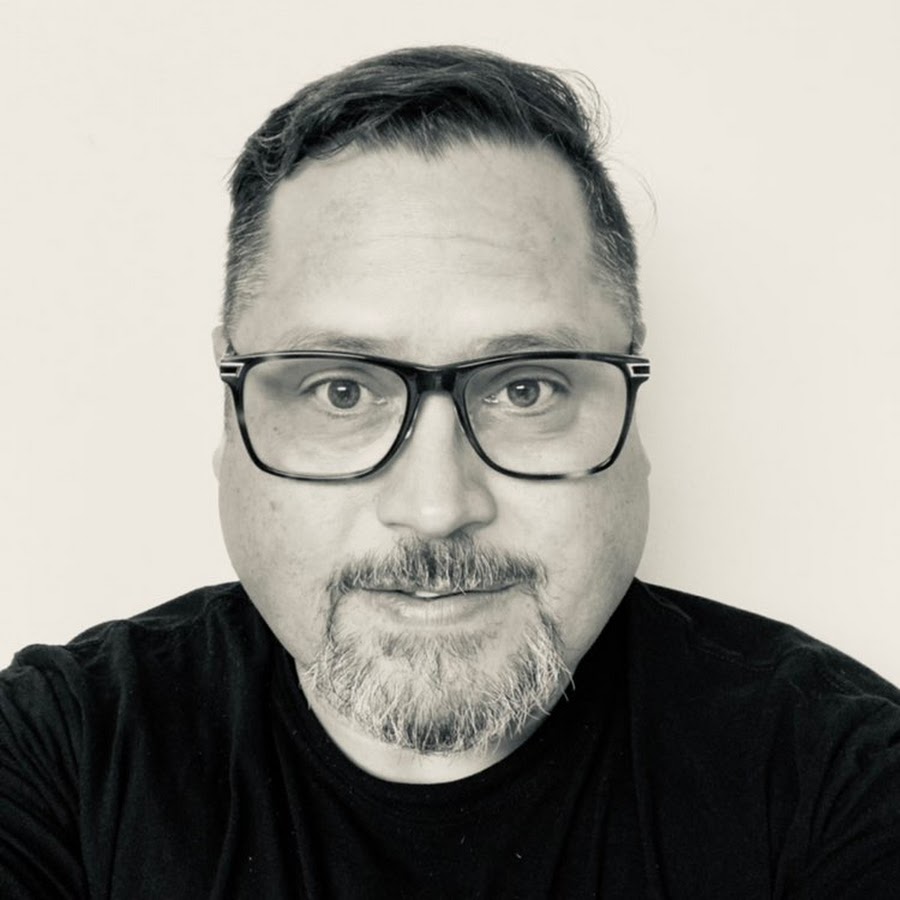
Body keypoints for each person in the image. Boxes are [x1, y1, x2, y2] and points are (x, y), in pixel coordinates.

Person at [1, 45, 897, 899]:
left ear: (632, 397)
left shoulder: (843, 780)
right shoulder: (55, 758)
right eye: (341, 391)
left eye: (527, 388)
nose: (436, 506)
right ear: (228, 411)